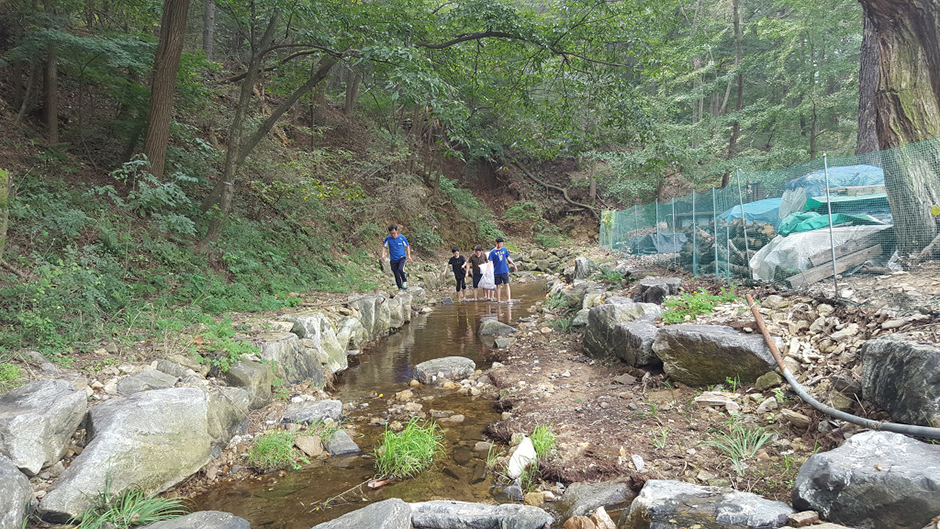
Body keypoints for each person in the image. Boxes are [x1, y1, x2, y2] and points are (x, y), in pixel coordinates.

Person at [381, 224, 411, 290]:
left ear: (397, 231)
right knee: (396, 274)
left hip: (402, 257)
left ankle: (404, 281)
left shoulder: (402, 238)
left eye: (394, 233)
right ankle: (400, 288)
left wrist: (408, 256)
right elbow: (384, 246)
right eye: (391, 233)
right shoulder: (388, 239)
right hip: (393, 259)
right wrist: (383, 255)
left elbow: (407, 246)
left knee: (400, 269)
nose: (393, 235)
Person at [488, 236, 517, 303]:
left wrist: (514, 264)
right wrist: (487, 271)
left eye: (502, 243)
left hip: (504, 270)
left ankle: (509, 299)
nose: (501, 244)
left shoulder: (504, 249)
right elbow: (490, 262)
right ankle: (498, 300)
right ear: (496, 243)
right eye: (500, 243)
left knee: (506, 284)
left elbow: (508, 257)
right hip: (496, 271)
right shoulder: (492, 252)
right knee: (498, 286)